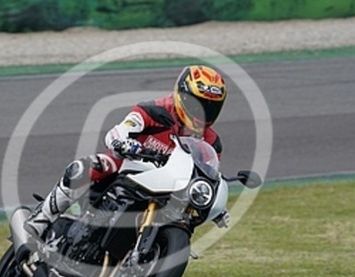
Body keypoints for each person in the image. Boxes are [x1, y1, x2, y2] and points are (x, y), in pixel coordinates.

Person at [25, 65, 229, 240]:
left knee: (186, 217)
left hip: (168, 189)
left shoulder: (211, 142)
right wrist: (124, 143)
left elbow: (206, 175)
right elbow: (118, 132)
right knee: (83, 168)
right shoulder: (153, 110)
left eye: (211, 107)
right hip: (129, 166)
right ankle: (40, 220)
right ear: (181, 95)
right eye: (197, 104)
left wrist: (215, 205)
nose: (203, 112)